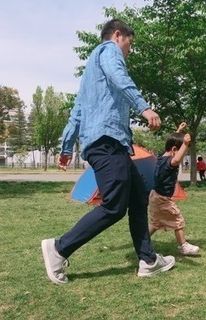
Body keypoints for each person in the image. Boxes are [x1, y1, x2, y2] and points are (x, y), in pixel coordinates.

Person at [41, 19, 175, 285]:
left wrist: (66, 147)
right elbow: (119, 77)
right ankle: (59, 248)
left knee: (138, 198)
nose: (129, 50)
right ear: (117, 36)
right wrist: (143, 107)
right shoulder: (108, 52)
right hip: (107, 142)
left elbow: (77, 111)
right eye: (129, 44)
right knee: (114, 206)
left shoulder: (89, 74)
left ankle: (147, 260)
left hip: (105, 143)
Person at [148, 123, 199, 256]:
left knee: (155, 222)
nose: (182, 156)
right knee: (178, 220)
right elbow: (176, 160)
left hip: (155, 195)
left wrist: (178, 131)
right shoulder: (170, 161)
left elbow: (172, 148)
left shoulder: (161, 157)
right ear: (175, 149)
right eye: (182, 151)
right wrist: (185, 144)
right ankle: (183, 246)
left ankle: (142, 241)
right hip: (162, 198)